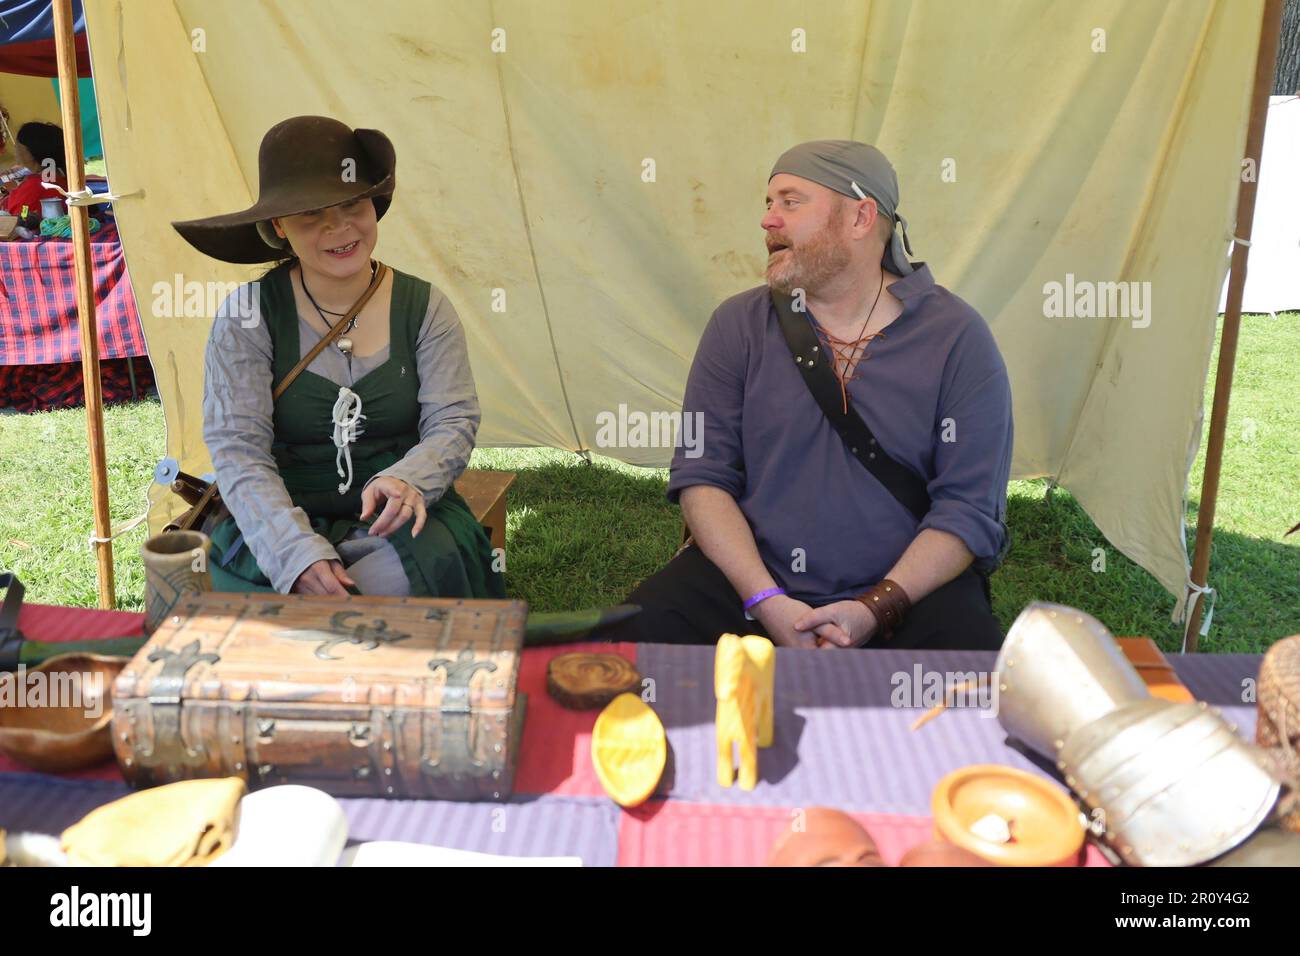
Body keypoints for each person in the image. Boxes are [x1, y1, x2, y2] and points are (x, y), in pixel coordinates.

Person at [605, 140, 1013, 650]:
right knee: (631, 657)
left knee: (968, 699)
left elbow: (967, 509)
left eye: (791, 202)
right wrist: (766, 601)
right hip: (753, 584)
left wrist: (875, 609)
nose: (768, 221)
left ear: (861, 217)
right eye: (768, 203)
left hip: (908, 594)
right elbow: (702, 477)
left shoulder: (957, 339)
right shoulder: (738, 326)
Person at [172, 115, 503, 599]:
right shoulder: (247, 316)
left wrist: (410, 479)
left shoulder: (425, 308)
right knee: (290, 608)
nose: (339, 227)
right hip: (280, 512)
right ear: (279, 226)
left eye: (352, 204)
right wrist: (294, 552)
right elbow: (238, 449)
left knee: (410, 579)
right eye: (311, 214)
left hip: (398, 515)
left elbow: (453, 419)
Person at [1, 121, 68, 218]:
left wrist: (15, 191)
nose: (14, 147)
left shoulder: (35, 186)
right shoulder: (58, 175)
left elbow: (22, 216)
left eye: (17, 144)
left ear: (31, 152)